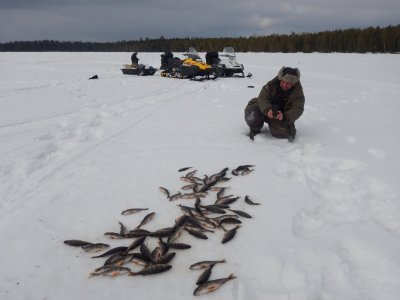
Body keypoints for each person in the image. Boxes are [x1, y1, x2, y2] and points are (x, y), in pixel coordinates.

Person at [244, 66, 305, 141]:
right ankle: (254, 131)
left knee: (283, 134)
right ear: (280, 79)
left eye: (288, 84)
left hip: (281, 117)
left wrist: (285, 116)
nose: (285, 85)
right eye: (283, 82)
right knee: (253, 112)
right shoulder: (270, 85)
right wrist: (267, 110)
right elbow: (262, 98)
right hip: (266, 111)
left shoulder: (298, 94)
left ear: (294, 84)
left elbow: (298, 109)